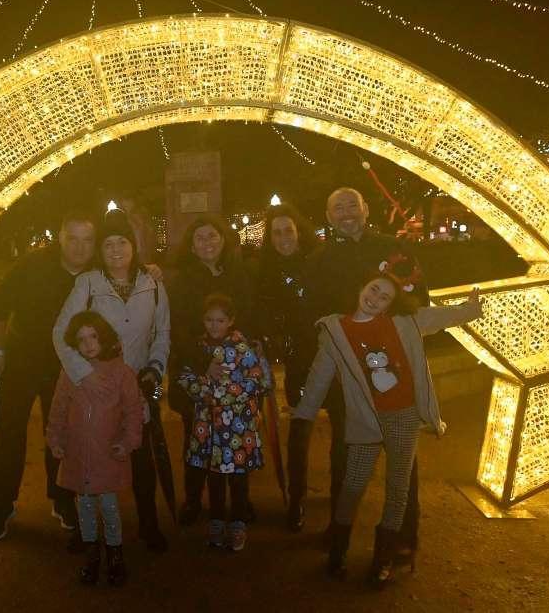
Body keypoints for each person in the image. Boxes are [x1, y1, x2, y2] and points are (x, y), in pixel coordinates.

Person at [293, 271, 482, 588]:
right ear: (361, 287)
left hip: (404, 415)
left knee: (399, 488)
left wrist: (471, 308)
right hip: (366, 418)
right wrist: (304, 413)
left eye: (385, 298)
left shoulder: (404, 322)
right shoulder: (335, 330)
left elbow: (440, 316)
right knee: (353, 484)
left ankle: (383, 559)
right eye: (374, 289)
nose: (376, 298)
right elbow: (319, 375)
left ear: (391, 305)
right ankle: (337, 551)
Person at [302, 187, 430, 556]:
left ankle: (404, 534)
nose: (345, 213)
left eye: (351, 205)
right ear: (328, 216)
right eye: (337, 206)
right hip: (349, 372)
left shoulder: (395, 249)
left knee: (403, 457)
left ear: (365, 209)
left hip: (394, 368)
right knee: (345, 450)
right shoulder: (319, 260)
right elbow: (315, 316)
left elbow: (418, 300)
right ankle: (339, 528)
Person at [53, 209, 171, 552]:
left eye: (122, 242)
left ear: (133, 246)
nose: (116, 249)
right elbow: (61, 332)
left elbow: (162, 333)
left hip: (137, 387)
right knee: (89, 456)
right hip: (94, 389)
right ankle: (86, 530)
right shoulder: (88, 283)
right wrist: (84, 375)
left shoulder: (154, 284)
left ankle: (148, 523)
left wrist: (155, 369)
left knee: (141, 456)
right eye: (107, 244)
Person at [0, 210, 97, 545]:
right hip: (21, 360)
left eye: (87, 240)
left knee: (60, 435)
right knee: (10, 435)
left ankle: (61, 499)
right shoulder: (33, 266)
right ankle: (1, 506)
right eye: (72, 239)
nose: (79, 247)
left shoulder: (96, 273)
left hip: (64, 366)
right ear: (60, 237)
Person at [166, 214, 256, 526]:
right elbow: (176, 326)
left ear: (223, 240)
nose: (207, 243)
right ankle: (193, 498)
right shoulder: (182, 281)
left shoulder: (238, 274)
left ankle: (240, 498)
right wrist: (204, 362)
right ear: (191, 247)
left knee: (236, 435)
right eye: (199, 238)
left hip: (234, 371)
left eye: (212, 236)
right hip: (199, 370)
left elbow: (249, 316)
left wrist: (240, 360)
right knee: (197, 438)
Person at [47, 311, 143, 587]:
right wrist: (56, 440)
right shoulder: (70, 373)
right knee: (85, 506)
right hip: (79, 453)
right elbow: (58, 410)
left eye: (93, 336)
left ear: (104, 338)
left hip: (108, 453)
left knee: (110, 507)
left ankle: (115, 555)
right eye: (81, 339)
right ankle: (92, 555)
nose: (88, 344)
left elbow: (132, 412)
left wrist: (127, 442)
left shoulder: (122, 373)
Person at [176, 293, 271, 551]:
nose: (214, 325)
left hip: (237, 428)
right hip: (208, 428)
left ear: (231, 321)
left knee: (238, 480)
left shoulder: (242, 348)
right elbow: (185, 378)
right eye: (209, 320)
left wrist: (220, 396)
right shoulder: (198, 348)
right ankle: (217, 521)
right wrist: (204, 382)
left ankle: (238, 523)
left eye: (220, 320)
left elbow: (259, 381)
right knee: (214, 478)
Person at [256, 203, 319, 531]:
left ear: (299, 232)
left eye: (288, 231)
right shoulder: (264, 272)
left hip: (327, 354)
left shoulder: (318, 263)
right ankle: (297, 497)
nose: (283, 238)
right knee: (300, 427)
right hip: (298, 360)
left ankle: (345, 489)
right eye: (276, 233)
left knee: (347, 424)